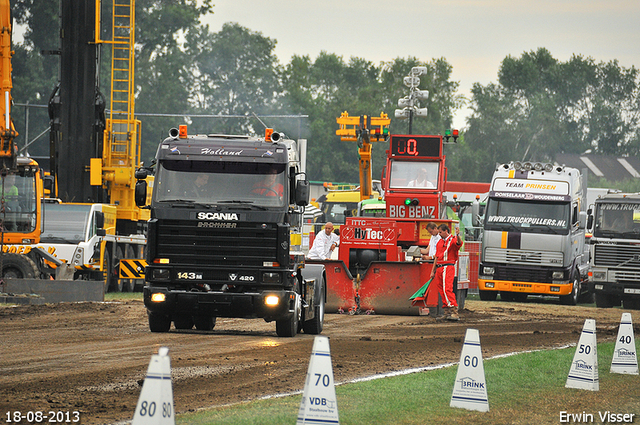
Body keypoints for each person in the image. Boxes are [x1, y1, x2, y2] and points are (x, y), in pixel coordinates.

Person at [430, 223, 463, 321]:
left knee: (447, 288)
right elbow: (436, 257)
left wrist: (458, 235)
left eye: (440, 232)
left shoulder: (452, 240)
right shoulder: (440, 242)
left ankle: (454, 311)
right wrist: (433, 271)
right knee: (441, 290)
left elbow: (458, 244)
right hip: (440, 267)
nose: (439, 234)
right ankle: (447, 311)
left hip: (448, 266)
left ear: (445, 231)